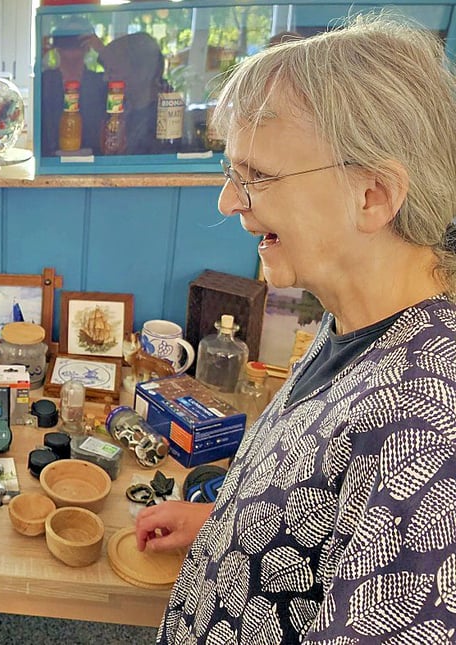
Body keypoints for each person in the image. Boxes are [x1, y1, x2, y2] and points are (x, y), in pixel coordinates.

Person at [135, 15, 456, 643]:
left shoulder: (430, 433)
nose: (229, 201)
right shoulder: (358, 323)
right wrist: (225, 524)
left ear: (373, 194)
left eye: (256, 176)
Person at [39, 16, 108, 156]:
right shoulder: (46, 80)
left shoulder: (98, 82)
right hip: (50, 159)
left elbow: (123, 74)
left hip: (94, 159)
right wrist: (42, 52)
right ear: (57, 47)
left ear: (88, 46)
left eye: (78, 41)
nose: (72, 48)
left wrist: (103, 50)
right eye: (66, 42)